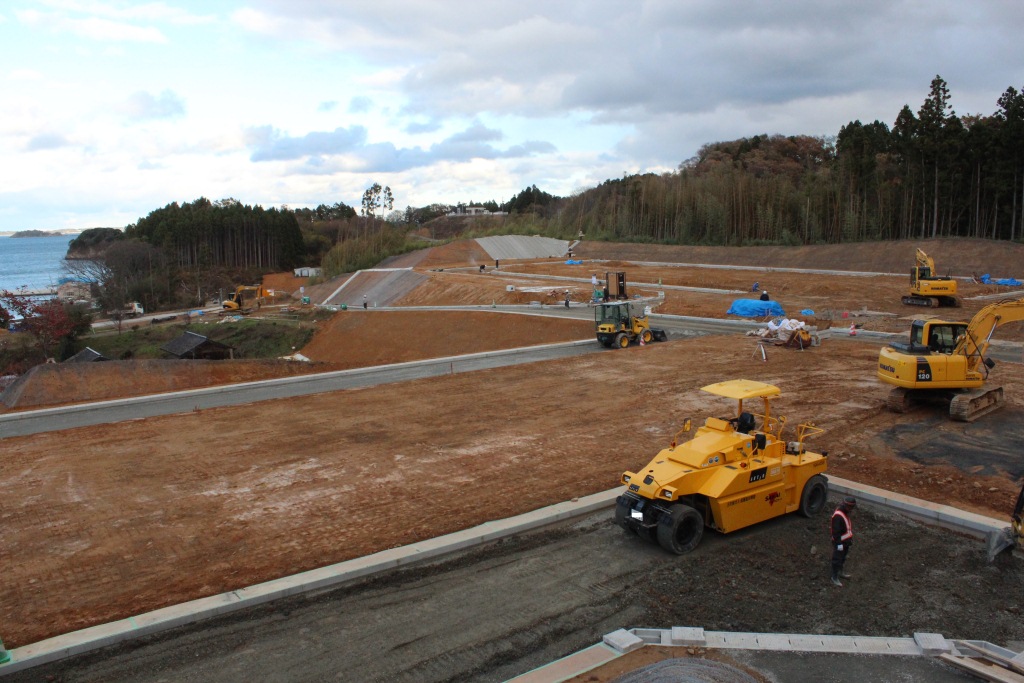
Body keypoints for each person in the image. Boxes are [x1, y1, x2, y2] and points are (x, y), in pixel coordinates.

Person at [830, 497, 856, 586]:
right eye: (849, 507)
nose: (850, 510)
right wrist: (839, 544)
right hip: (840, 542)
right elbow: (835, 532)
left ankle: (840, 572)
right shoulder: (838, 515)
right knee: (837, 559)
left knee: (843, 557)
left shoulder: (844, 512)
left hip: (845, 541)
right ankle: (834, 577)